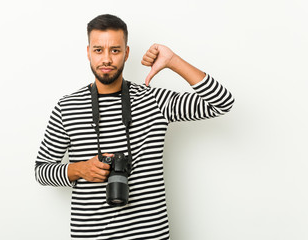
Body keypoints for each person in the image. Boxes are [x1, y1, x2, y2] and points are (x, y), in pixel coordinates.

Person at [35, 14, 234, 240]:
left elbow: (222, 103)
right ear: (88, 51)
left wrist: (173, 61)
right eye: (99, 50)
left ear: (127, 53)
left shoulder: (154, 100)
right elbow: (41, 171)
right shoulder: (67, 107)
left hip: (151, 234)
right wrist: (79, 169)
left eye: (115, 50)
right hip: (92, 235)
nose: (107, 59)